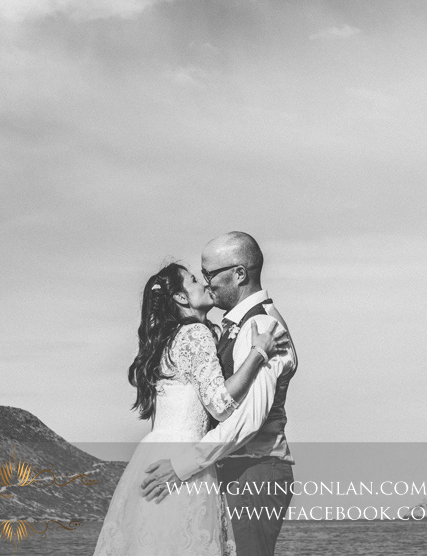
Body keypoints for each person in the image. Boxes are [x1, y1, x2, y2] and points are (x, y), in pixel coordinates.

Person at [93, 262, 287, 556]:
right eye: (195, 279)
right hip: (182, 459)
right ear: (181, 298)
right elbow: (220, 405)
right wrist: (257, 354)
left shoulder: (165, 340)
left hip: (152, 454)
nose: (204, 284)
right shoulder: (196, 333)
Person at [141, 232, 298, 556]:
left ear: (239, 273)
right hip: (229, 468)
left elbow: (248, 420)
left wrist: (182, 464)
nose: (206, 283)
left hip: (254, 470)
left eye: (209, 274)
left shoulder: (264, 329)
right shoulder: (226, 329)